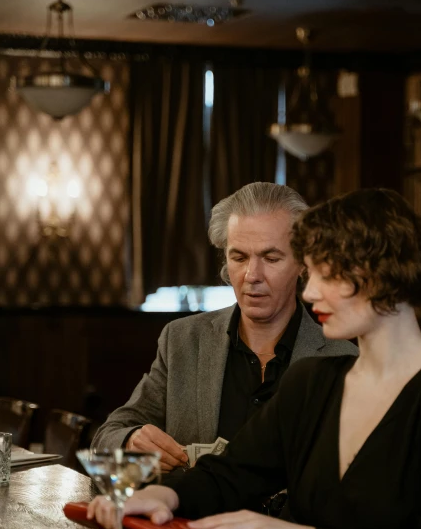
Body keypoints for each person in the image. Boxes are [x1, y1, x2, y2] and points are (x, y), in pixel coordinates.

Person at [88, 188, 421, 529]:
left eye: (328, 275)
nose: (309, 292)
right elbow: (228, 475)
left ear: (384, 275)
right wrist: (158, 496)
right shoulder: (313, 381)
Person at [91, 182, 357, 470]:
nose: (252, 275)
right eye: (239, 257)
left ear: (303, 264)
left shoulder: (341, 359)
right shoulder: (183, 339)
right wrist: (132, 440)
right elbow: (106, 437)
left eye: (271, 258)